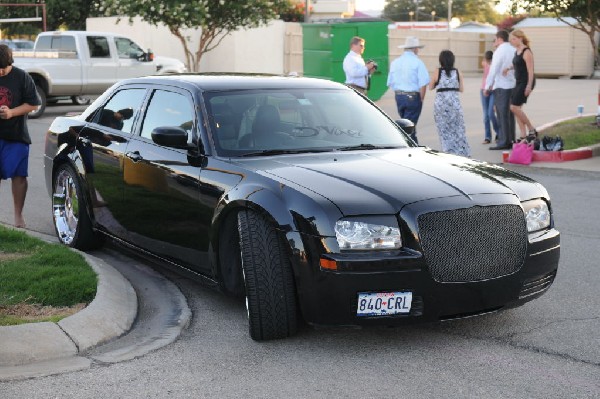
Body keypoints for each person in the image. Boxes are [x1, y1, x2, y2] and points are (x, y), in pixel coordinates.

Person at [0, 44, 41, 228]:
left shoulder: (22, 77)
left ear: (10, 63)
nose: (0, 72)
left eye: (3, 68)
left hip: (16, 136)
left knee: (19, 176)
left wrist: (12, 112)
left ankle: (18, 216)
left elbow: (34, 104)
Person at [387, 36, 430, 144]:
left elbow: (390, 82)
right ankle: (411, 147)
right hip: (412, 96)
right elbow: (423, 83)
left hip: (399, 96)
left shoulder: (395, 62)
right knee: (409, 128)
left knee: (405, 125)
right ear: (415, 49)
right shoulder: (418, 62)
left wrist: (399, 93)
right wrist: (421, 99)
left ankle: (410, 146)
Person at [429, 50, 471, 157]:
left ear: (441, 60)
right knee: (458, 130)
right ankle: (462, 153)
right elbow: (461, 89)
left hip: (441, 106)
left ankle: (448, 153)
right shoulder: (457, 72)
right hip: (455, 105)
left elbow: (430, 87)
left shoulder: (437, 72)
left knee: (444, 131)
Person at [484, 30, 516, 150]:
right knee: (510, 115)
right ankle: (510, 139)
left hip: (502, 86)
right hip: (512, 85)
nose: (494, 41)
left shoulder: (499, 51)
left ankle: (503, 141)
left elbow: (494, 69)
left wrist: (488, 86)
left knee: (502, 115)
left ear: (500, 39)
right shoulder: (512, 49)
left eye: (495, 39)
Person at [504, 29, 537, 141]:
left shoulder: (526, 51)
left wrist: (528, 86)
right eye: (510, 39)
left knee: (514, 107)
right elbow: (518, 64)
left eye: (513, 39)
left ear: (520, 38)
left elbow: (530, 70)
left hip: (526, 81)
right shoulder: (517, 51)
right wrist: (509, 68)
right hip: (518, 82)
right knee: (517, 109)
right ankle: (523, 135)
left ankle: (531, 128)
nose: (511, 41)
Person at [480, 50, 500, 144]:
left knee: (491, 113)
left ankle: (499, 133)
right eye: (488, 61)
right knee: (485, 115)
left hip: (493, 90)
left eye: (490, 61)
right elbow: (483, 63)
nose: (489, 63)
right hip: (484, 90)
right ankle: (487, 136)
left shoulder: (496, 66)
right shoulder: (485, 64)